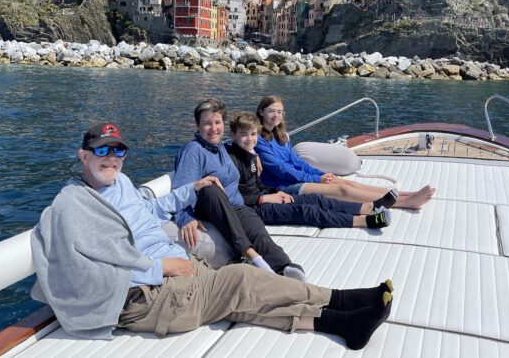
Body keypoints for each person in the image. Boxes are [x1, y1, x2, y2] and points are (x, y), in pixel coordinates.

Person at [30, 122, 394, 350]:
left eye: (118, 151)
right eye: (102, 151)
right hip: (144, 299)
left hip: (175, 270)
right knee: (241, 279)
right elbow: (83, 270)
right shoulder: (72, 205)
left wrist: (193, 190)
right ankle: (343, 299)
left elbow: (152, 211)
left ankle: (341, 323)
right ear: (83, 156)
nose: (111, 158)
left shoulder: (121, 183)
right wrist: (161, 268)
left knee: (241, 300)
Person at [172, 98, 306, 281]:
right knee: (210, 187)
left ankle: (285, 268)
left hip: (236, 205)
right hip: (210, 206)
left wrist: (253, 155)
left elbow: (237, 145)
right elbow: (180, 188)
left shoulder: (219, 147)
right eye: (207, 123)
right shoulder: (193, 150)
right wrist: (185, 217)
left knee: (259, 233)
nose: (213, 128)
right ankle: (251, 256)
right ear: (197, 125)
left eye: (217, 122)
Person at [255, 95, 436, 209]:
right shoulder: (259, 140)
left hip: (295, 178)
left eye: (280, 112)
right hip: (282, 186)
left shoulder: (281, 137)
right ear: (262, 112)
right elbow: (281, 170)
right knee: (342, 189)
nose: (276, 115)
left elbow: (298, 163)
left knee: (343, 181)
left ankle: (404, 194)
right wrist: (318, 180)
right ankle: (404, 203)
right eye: (272, 111)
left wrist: (323, 174)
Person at [227, 112, 391, 229]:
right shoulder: (231, 160)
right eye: (244, 134)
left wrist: (275, 193)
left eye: (253, 134)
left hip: (266, 196)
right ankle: (365, 221)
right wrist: (264, 199)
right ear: (233, 135)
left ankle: (368, 208)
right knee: (307, 211)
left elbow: (257, 185)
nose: (250, 139)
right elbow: (232, 197)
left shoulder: (251, 155)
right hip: (254, 208)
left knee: (316, 200)